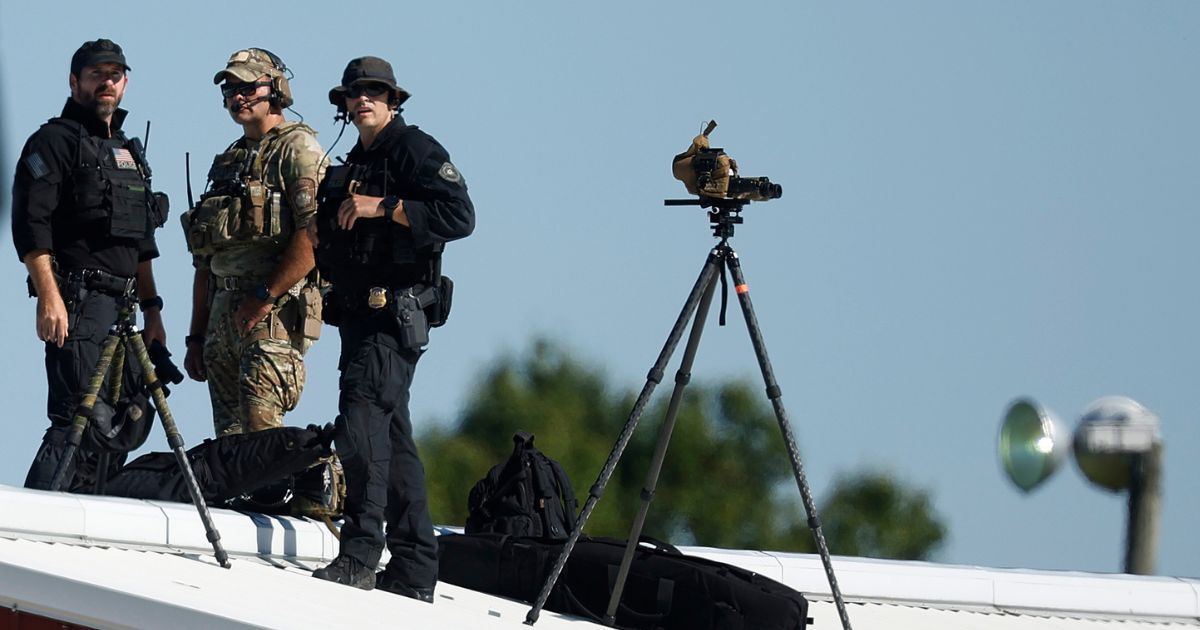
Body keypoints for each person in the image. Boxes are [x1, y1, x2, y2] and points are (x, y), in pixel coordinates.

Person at [310, 56, 475, 600]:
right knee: (393, 442)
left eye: (375, 92)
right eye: (355, 93)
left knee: (359, 427)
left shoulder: (415, 150)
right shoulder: (353, 159)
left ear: (394, 101)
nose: (364, 100)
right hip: (358, 318)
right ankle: (413, 568)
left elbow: (460, 217)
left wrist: (387, 206)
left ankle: (359, 555)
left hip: (393, 318)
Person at [12, 39, 168, 491]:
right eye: (97, 73)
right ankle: (31, 527)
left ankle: (87, 514)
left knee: (120, 423)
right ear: (75, 80)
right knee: (76, 417)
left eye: (114, 74)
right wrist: (49, 296)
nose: (107, 82)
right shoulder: (53, 142)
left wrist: (154, 311)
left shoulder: (127, 152)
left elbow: (141, 242)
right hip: (77, 302)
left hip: (126, 310)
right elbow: (30, 226)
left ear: (125, 82)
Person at [181, 49, 327, 437]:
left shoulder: (297, 149)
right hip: (222, 315)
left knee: (261, 436)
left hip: (273, 311)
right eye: (230, 89)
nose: (237, 97)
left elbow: (313, 234)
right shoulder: (230, 160)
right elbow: (205, 260)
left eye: (247, 87)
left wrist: (264, 296)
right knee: (229, 448)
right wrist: (196, 336)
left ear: (276, 89)